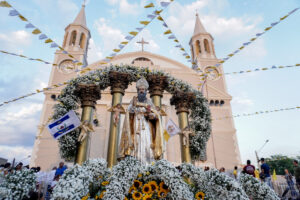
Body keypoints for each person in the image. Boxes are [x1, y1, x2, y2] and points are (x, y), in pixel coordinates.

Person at [118, 77, 164, 164]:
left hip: (146, 127)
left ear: (146, 91)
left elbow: (156, 115)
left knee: (147, 143)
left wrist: (151, 115)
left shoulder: (149, 102)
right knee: (136, 143)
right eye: (140, 89)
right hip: (135, 126)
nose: (141, 91)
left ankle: (147, 163)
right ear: (138, 90)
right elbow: (128, 112)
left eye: (143, 89)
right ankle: (134, 162)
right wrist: (133, 110)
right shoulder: (133, 101)